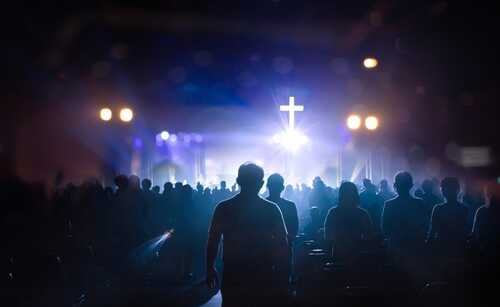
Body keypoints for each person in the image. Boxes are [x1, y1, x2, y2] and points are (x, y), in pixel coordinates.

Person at [206, 163, 289, 307]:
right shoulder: (272, 209)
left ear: (238, 181)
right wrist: (283, 273)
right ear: (262, 183)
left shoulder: (224, 208)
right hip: (263, 272)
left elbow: (213, 240)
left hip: (234, 272)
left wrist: (209, 267)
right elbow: (282, 243)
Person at [382, 171, 429, 283]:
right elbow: (425, 226)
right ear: (411, 186)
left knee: (397, 281)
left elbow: (384, 228)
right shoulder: (419, 203)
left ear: (395, 186)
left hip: (396, 249)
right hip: (415, 248)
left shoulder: (389, 204)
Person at [324, 181, 373, 261]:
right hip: (358, 254)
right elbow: (369, 236)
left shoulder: (333, 213)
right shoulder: (362, 214)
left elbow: (328, 236)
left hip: (339, 253)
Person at [266, 173, 299, 285]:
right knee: (283, 283)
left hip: (265, 251)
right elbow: (294, 229)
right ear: (282, 188)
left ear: (267, 186)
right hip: (284, 249)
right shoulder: (290, 206)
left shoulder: (260, 207)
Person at [427, 177, 468, 258]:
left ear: (442, 191)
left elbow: (432, 231)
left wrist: (429, 246)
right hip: (458, 248)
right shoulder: (463, 209)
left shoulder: (438, 208)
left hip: (441, 248)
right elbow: (465, 231)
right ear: (458, 190)